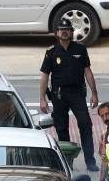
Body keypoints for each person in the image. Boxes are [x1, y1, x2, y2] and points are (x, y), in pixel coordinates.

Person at [39, 18, 100, 172]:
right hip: (59, 94)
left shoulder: (80, 49)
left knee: (85, 124)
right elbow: (45, 76)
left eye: (67, 29)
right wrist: (42, 99)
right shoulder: (51, 51)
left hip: (77, 93)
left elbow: (88, 71)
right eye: (61, 29)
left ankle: (90, 161)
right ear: (56, 33)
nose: (64, 32)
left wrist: (94, 93)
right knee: (61, 127)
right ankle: (67, 163)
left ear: (72, 32)